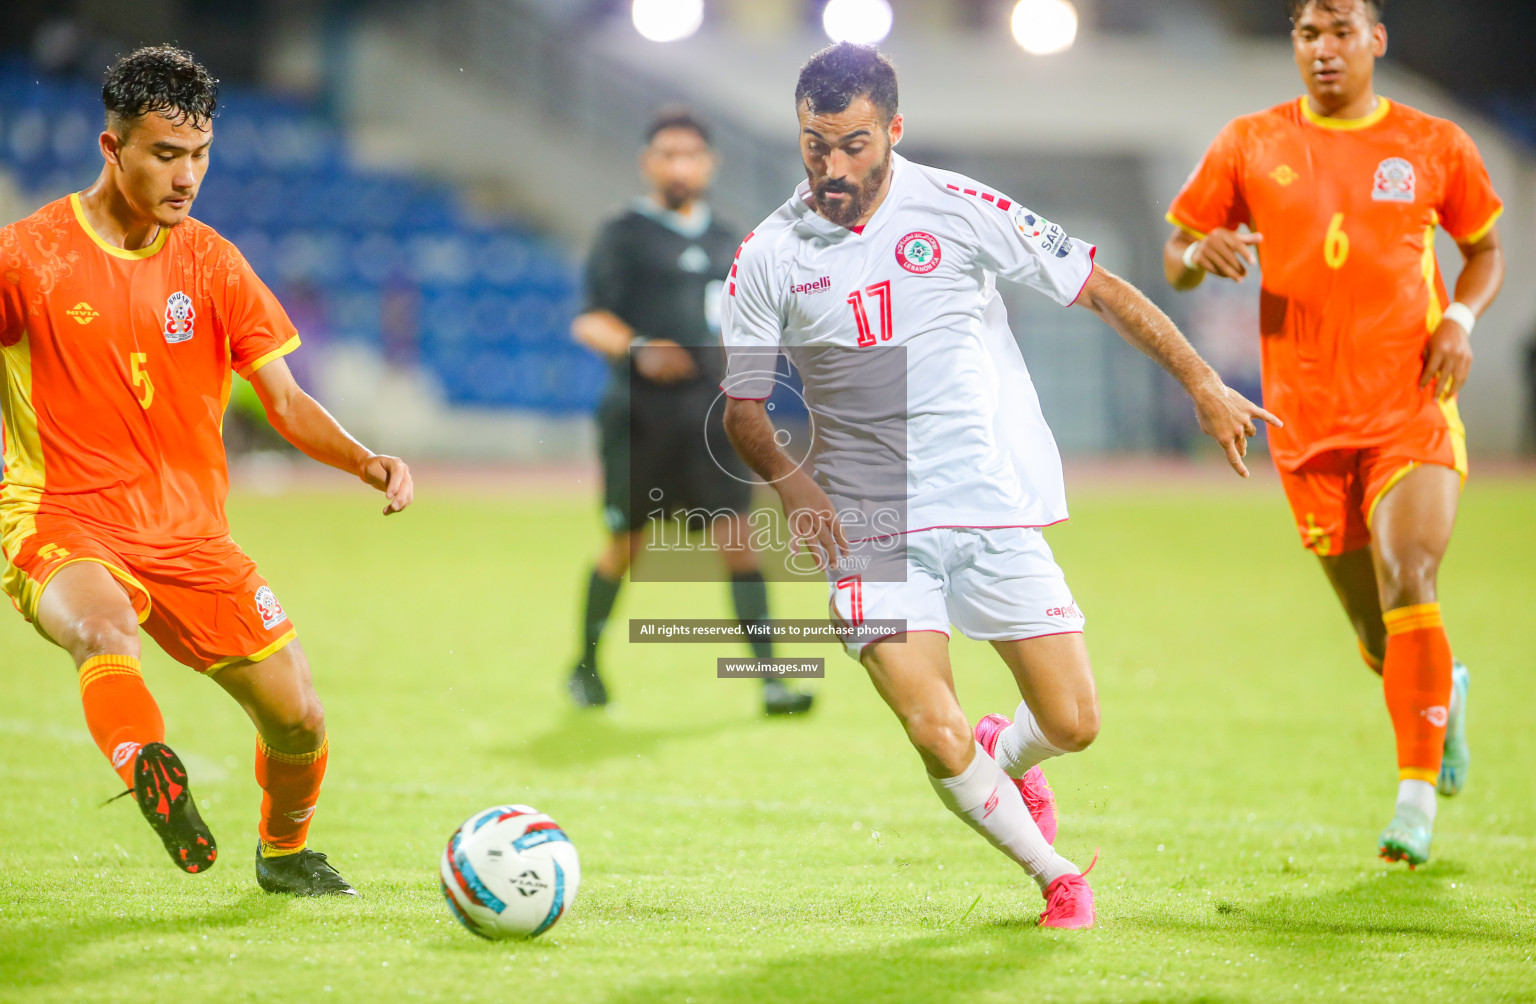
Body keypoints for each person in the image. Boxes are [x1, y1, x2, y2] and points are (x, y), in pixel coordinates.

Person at [721, 43, 1275, 928]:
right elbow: (743, 410)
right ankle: (1056, 875)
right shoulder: (769, 255)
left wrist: (1203, 384)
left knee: (1075, 720)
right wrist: (797, 489)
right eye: (814, 145)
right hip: (869, 522)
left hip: (984, 501)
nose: (832, 167)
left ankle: (1005, 750)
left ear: (895, 130)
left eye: (854, 144)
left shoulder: (958, 207)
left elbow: (1098, 288)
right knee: (930, 726)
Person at [0, 46, 415, 895]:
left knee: (298, 716)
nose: (187, 176)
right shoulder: (25, 257)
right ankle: (148, 764)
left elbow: (289, 403)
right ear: (112, 149)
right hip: (62, 512)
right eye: (165, 154)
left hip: (192, 535)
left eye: (200, 155)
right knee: (101, 629)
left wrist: (365, 460)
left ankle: (286, 855)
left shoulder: (212, 263)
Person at [1163, 0, 1504, 867]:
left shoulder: (1433, 144)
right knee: (1373, 631)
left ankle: (1414, 800)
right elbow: (1177, 248)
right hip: (1306, 420)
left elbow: (1486, 248)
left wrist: (1459, 316)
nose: (1323, 49)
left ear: (1375, 40)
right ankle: (1444, 691)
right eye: (1308, 34)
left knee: (1410, 572)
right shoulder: (1250, 142)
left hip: (1410, 403)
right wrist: (1199, 256)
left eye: (1340, 30)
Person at [568, 107, 813, 716]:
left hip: (712, 419)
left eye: (690, 154)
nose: (679, 165)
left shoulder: (730, 239)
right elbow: (589, 320)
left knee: (740, 543)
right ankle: (585, 668)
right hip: (640, 417)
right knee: (625, 544)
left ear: (709, 163)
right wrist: (638, 347)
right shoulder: (622, 233)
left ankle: (772, 679)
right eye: (667, 154)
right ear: (648, 162)